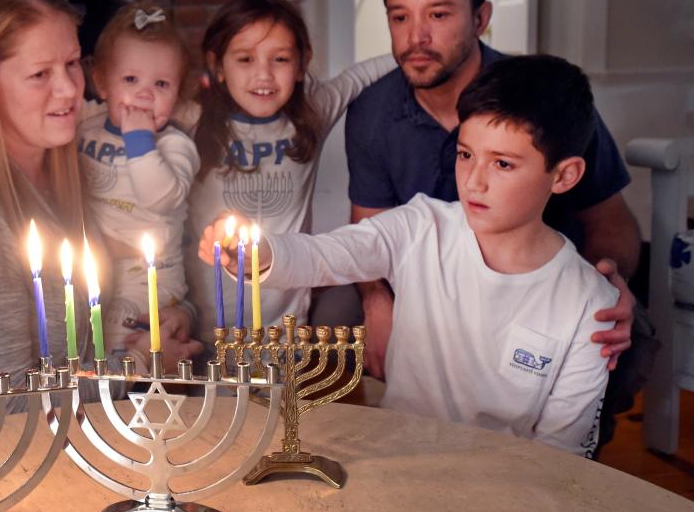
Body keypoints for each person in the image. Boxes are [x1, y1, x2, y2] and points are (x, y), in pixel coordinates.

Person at [203, 55, 615, 457]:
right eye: (466, 155)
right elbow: (330, 253)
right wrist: (259, 252)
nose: (474, 182)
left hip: (504, 493)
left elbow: (563, 455)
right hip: (397, 464)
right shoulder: (423, 226)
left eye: (503, 164)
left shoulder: (589, 304)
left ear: (564, 175)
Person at [0, 0, 193, 436]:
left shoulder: (73, 169)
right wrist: (139, 364)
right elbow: (5, 408)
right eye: (40, 74)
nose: (70, 90)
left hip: (70, 440)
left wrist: (170, 313)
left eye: (72, 64)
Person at [329, 0, 638, 381]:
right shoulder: (372, 113)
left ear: (480, 18)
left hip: (542, 301)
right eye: (400, 17)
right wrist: (377, 303)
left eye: (438, 14)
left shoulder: (544, 97)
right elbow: (368, 230)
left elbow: (612, 223)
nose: (416, 37)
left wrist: (604, 283)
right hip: (434, 310)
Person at [180, 0, 396, 355]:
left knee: (282, 412)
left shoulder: (312, 112)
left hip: (285, 331)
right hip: (207, 327)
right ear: (217, 65)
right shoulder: (191, 120)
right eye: (245, 59)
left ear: (301, 64)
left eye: (280, 59)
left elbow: (362, 75)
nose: (263, 74)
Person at [78, 2, 203, 372]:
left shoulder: (175, 145)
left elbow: (161, 197)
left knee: (130, 342)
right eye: (130, 80)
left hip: (150, 274)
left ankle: (131, 385)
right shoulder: (88, 123)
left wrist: (140, 142)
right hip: (96, 266)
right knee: (85, 343)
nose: (145, 94)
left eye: (161, 84)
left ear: (177, 95)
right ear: (101, 82)